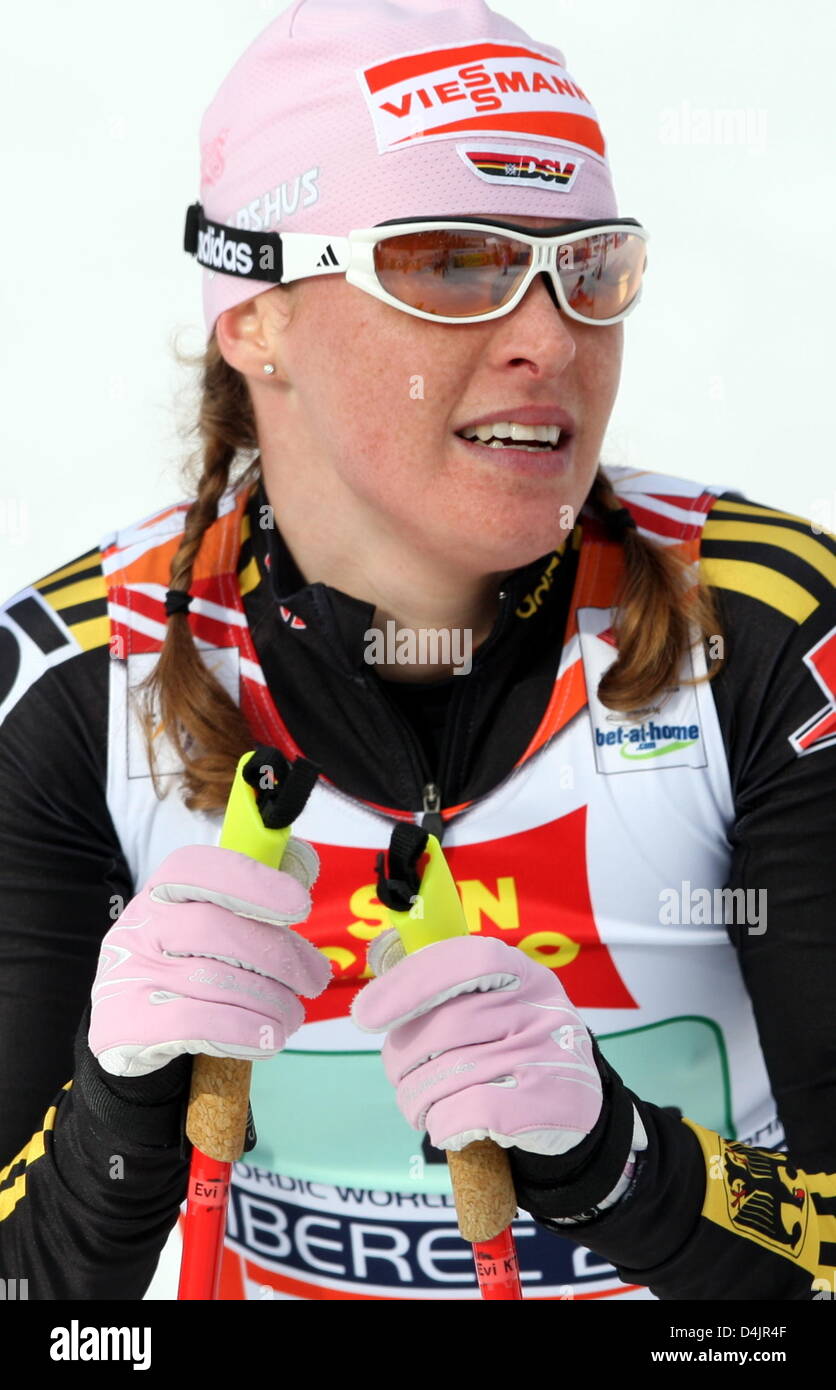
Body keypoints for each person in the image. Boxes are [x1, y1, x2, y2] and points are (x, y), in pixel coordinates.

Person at [1, 0, 834, 1303]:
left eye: (589, 266)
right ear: (256, 314)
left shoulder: (775, 637)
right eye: (453, 261)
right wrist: (116, 1116)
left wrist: (618, 1159)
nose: (551, 339)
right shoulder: (72, 677)